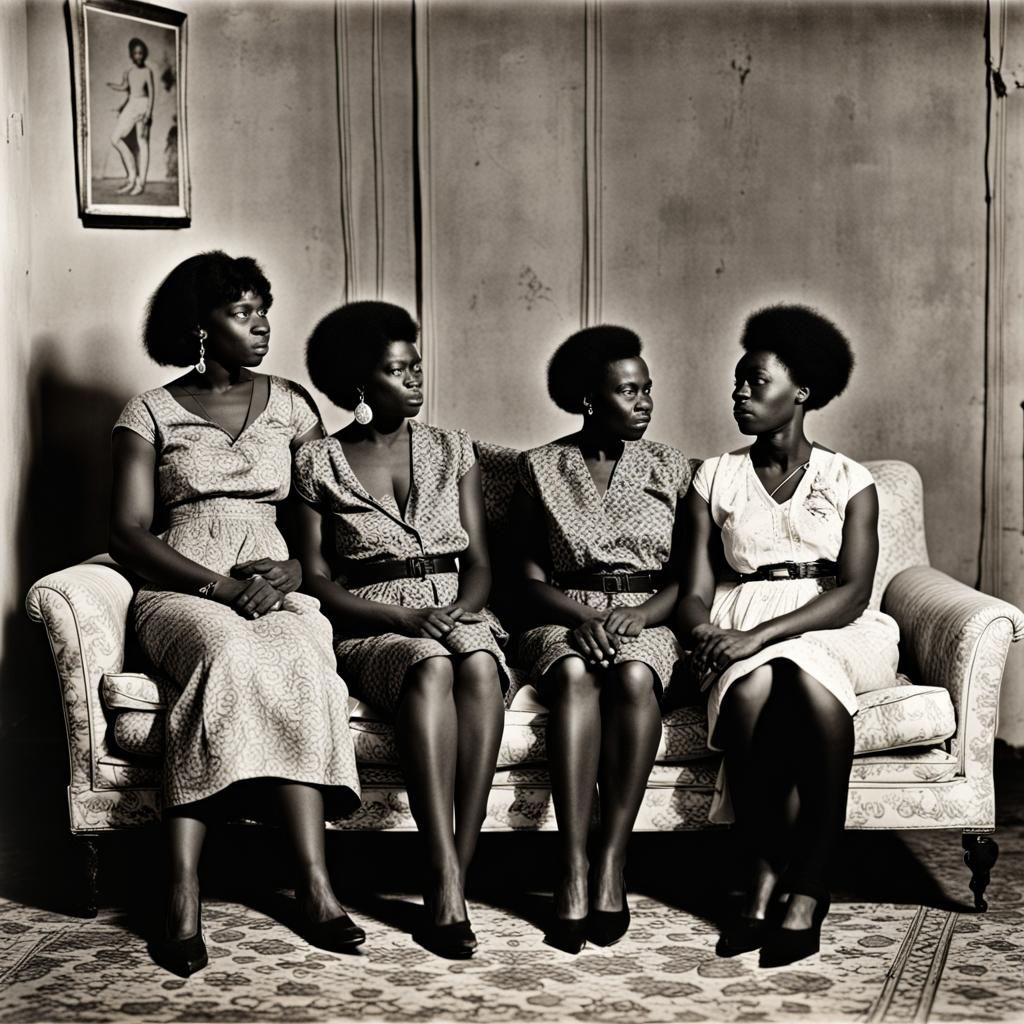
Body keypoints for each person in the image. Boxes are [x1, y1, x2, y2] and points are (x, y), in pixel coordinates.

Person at [109, 252, 363, 978]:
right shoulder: (149, 413)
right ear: (199, 324)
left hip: (278, 585)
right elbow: (125, 533)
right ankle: (181, 889)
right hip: (181, 586)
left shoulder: (293, 405)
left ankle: (314, 884)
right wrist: (216, 588)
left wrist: (291, 572)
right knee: (226, 653)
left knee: (305, 655)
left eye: (262, 310)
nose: (261, 327)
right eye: (241, 313)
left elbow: (332, 519)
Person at [676, 304, 900, 967]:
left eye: (757, 382)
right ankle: (762, 870)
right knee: (748, 694)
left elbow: (854, 590)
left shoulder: (850, 481)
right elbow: (691, 589)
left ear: (800, 390)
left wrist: (763, 637)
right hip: (740, 612)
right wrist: (704, 632)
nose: (740, 395)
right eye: (738, 383)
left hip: (833, 622)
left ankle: (808, 888)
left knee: (801, 673)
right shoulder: (714, 476)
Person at [293, 301, 510, 960]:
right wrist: (403, 617)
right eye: (398, 370)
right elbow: (316, 579)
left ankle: (450, 877)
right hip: (374, 620)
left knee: (474, 663)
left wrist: (463, 613)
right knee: (431, 665)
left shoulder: (453, 449)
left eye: (416, 366)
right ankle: (443, 872)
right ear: (361, 384)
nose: (416, 380)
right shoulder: (317, 462)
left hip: (458, 608)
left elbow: (478, 564)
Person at [512, 326, 691, 954]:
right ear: (591, 400)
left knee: (635, 675)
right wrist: (578, 617)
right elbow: (526, 577)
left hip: (649, 615)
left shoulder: (673, 467)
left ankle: (611, 859)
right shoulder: (539, 466)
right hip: (562, 612)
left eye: (647, 390)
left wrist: (642, 614)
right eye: (628, 391)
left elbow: (688, 579)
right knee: (572, 675)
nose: (644, 402)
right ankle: (571, 866)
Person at [106, 37, 154, 196]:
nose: (139, 56)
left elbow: (152, 93)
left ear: (144, 54)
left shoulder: (147, 71)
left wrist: (148, 113)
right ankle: (132, 177)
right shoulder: (129, 71)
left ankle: (141, 183)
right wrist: (110, 86)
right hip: (131, 104)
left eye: (141, 53)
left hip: (143, 105)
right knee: (115, 138)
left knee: (142, 141)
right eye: (135, 53)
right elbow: (125, 88)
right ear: (131, 55)